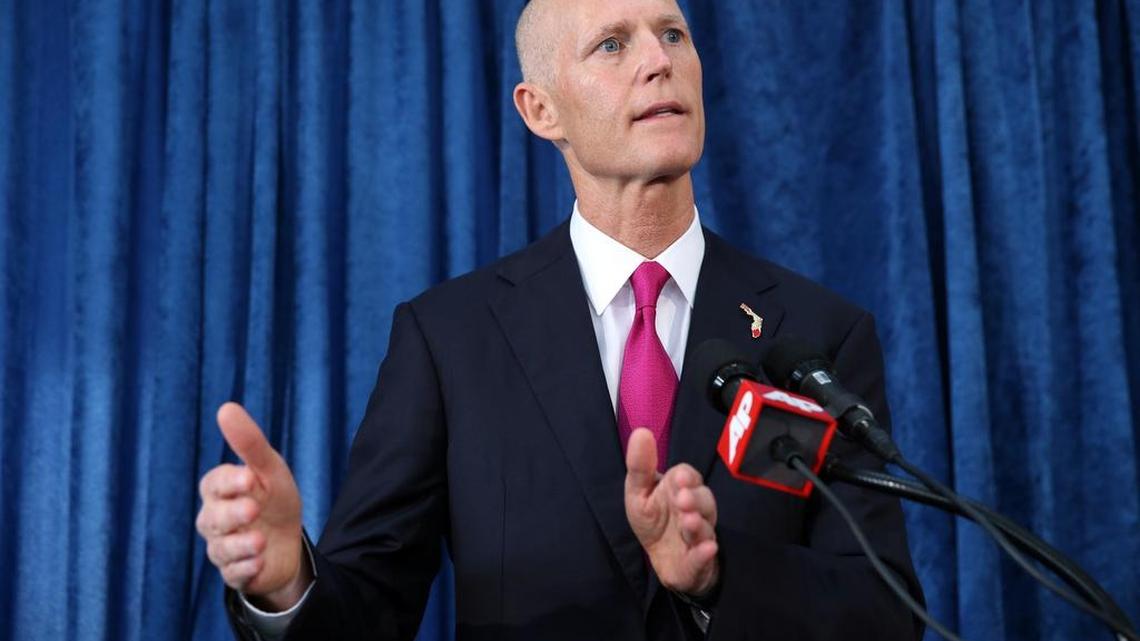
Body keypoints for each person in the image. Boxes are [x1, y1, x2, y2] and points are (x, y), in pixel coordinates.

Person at [195, 0, 924, 639]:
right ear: (540, 109)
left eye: (673, 34)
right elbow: (370, 608)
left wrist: (715, 578)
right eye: (613, 44)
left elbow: (882, 613)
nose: (657, 62)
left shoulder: (817, 333)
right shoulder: (452, 339)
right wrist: (288, 581)